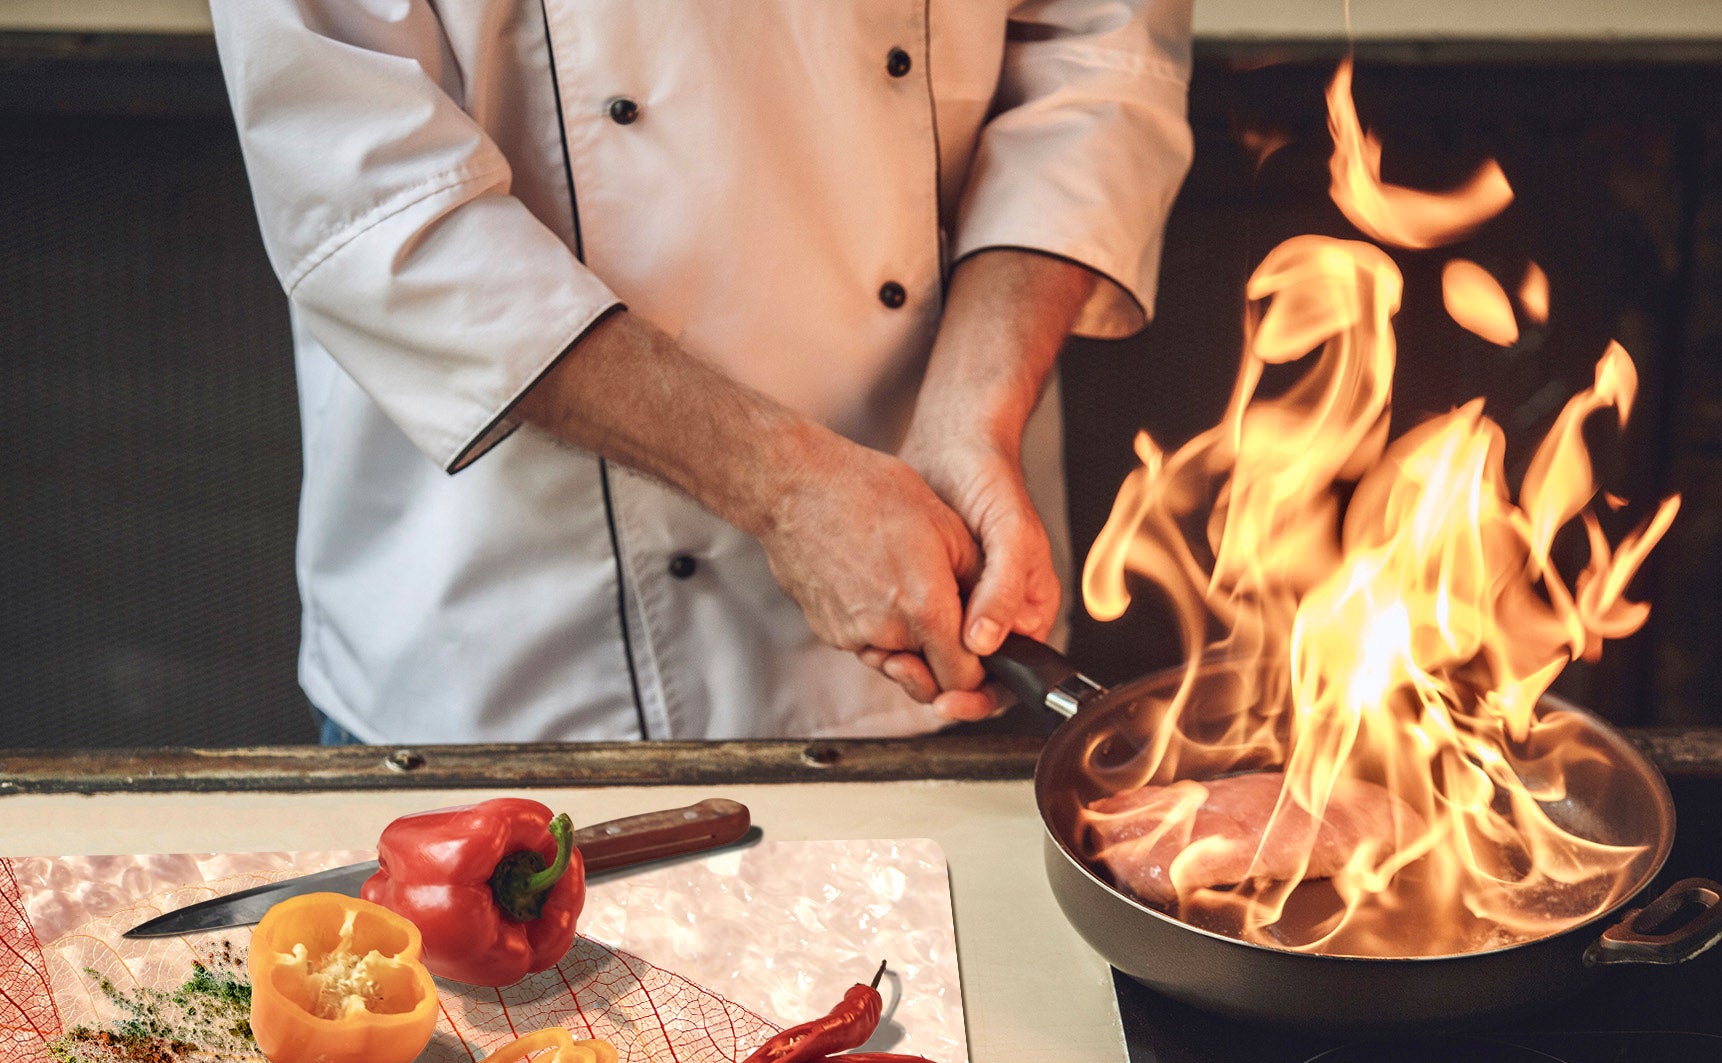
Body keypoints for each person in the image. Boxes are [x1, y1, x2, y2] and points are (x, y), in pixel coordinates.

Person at [211, 0, 1193, 742]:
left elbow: (1097, 59)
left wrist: (972, 418)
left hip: (947, 573)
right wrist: (785, 490)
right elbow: (372, 197)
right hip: (523, 646)